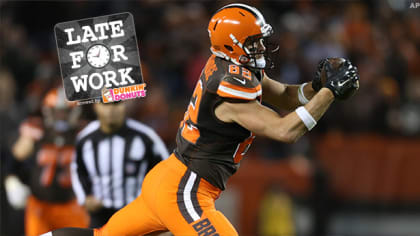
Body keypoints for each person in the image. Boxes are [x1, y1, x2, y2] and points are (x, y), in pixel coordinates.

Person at [45, 3, 359, 236]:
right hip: (186, 189)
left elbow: (287, 96)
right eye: (253, 42)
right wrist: (330, 93)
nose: (261, 47)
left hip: (169, 177)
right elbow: (285, 130)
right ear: (234, 44)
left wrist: (317, 87)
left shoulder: (230, 66)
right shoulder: (229, 86)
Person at [71, 102, 169, 228]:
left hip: (136, 212)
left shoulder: (146, 136)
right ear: (96, 106)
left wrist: (155, 203)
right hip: (99, 214)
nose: (111, 110)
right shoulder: (85, 138)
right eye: (105, 104)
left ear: (124, 105)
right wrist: (84, 198)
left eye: (116, 104)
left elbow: (165, 171)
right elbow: (76, 168)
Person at [7, 87, 90, 236]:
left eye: (65, 112)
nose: (61, 117)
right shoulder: (36, 130)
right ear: (47, 111)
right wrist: (12, 181)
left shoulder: (83, 133)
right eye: (57, 111)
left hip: (72, 204)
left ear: (75, 112)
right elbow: (14, 159)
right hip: (40, 204)